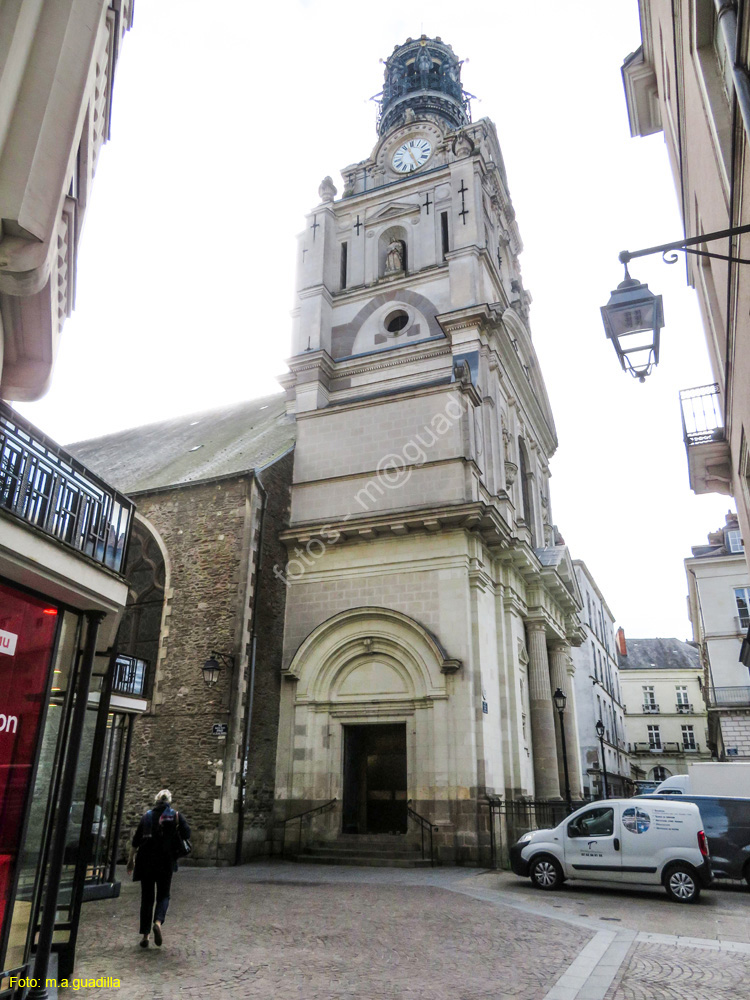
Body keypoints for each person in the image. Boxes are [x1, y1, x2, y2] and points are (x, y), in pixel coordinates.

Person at [127, 789, 190, 949]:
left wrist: (130, 860)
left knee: (147, 898)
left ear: (156, 800)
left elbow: (136, 841)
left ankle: (146, 936)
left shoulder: (147, 816)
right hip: (166, 861)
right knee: (164, 896)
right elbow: (187, 833)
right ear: (169, 800)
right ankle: (158, 923)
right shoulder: (175, 816)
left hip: (146, 862)